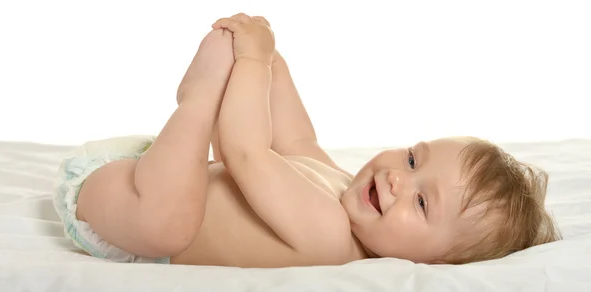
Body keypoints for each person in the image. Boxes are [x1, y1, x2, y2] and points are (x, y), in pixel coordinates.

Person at [52, 13, 561, 267]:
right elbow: (295, 137)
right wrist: (274, 63)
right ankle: (196, 111)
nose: (395, 179)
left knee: (171, 223)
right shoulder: (341, 188)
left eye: (423, 202)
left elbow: (244, 151)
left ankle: (199, 99)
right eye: (411, 159)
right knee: (174, 207)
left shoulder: (329, 236)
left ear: (433, 266)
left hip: (133, 218)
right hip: (135, 180)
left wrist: (248, 65)